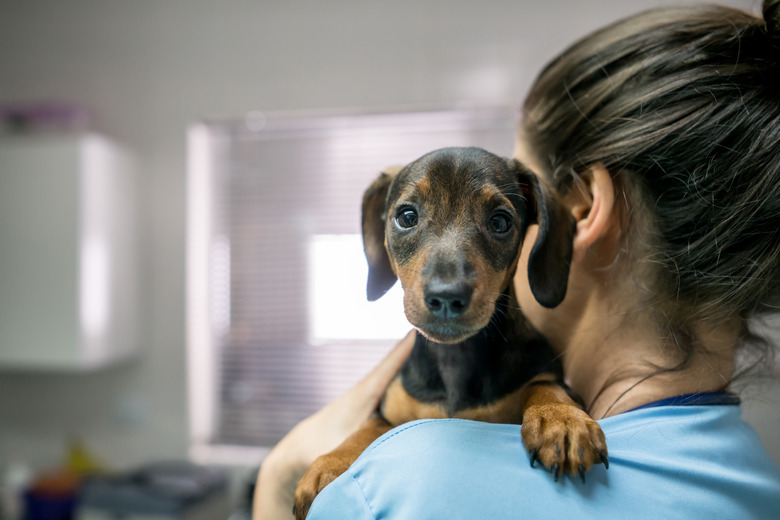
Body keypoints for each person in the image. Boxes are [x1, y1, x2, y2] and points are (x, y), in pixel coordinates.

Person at [254, 1, 780, 518]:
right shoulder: (762, 481)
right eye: (410, 218)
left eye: (502, 221)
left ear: (580, 211)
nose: (449, 279)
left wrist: (279, 475)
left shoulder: (390, 487)